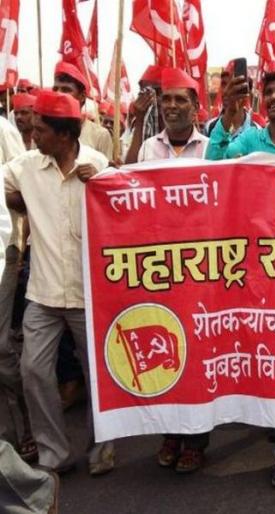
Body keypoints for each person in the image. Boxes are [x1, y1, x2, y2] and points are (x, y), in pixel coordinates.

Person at [205, 64, 275, 488]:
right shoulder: (249, 141)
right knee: (270, 352)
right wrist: (226, 118)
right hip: (257, 265)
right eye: (268, 92)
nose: (274, 98)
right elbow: (212, 168)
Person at [3, 90, 114, 477]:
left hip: (89, 295)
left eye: (40, 130)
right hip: (43, 295)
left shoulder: (98, 165)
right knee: (34, 371)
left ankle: (102, 448)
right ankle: (53, 453)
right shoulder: (25, 166)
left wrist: (104, 185)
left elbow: (124, 211)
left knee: (99, 377)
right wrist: (17, 202)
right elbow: (6, 189)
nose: (32, 136)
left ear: (65, 135)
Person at [135, 68, 212, 473]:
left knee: (196, 354)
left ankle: (196, 438)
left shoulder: (211, 149)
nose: (172, 106)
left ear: (196, 107)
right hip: (159, 268)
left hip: (200, 268)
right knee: (165, 351)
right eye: (166, 99)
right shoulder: (148, 149)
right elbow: (128, 193)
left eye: (181, 99)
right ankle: (170, 433)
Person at [0, 111, 34, 463]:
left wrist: (20, 248)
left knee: (1, 347)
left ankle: (25, 428)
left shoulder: (2, 131)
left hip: (3, 250)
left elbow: (18, 189)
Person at [53, 61, 113, 161]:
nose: (59, 94)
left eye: (66, 90)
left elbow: (106, 169)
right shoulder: (44, 132)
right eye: (55, 89)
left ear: (82, 96)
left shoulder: (100, 135)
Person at [124, 64, 164, 164]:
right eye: (144, 91)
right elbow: (131, 166)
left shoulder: (176, 125)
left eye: (156, 92)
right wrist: (140, 120)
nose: (150, 97)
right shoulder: (137, 124)